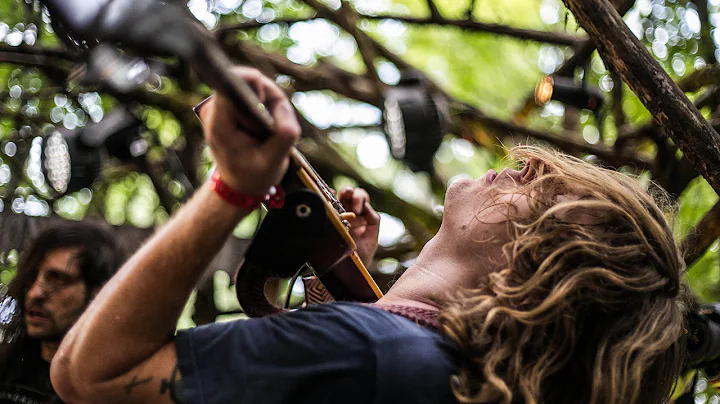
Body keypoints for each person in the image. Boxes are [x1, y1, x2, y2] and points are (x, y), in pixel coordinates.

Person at [50, 67, 688, 404]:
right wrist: (340, 287)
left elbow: (88, 376)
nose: (525, 163)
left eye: (541, 191)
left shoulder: (369, 352)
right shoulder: (434, 372)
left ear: (534, 270)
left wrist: (230, 189)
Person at [0, 222, 125, 403]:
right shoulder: (7, 366)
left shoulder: (113, 389)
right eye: (32, 276)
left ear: (98, 292)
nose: (35, 293)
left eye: (57, 279)